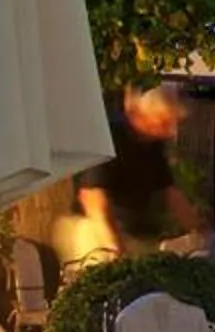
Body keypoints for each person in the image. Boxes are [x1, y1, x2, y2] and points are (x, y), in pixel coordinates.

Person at [79, 84, 191, 256]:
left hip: (131, 233)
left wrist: (199, 231)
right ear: (138, 113)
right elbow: (93, 199)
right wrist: (115, 249)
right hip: (95, 232)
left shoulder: (152, 142)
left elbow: (170, 192)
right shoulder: (109, 137)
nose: (171, 131)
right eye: (164, 121)